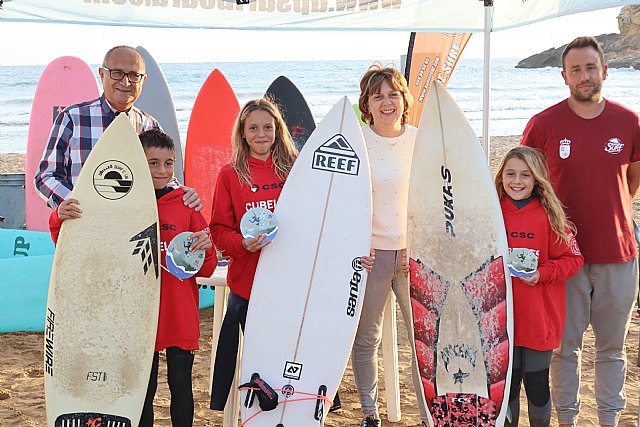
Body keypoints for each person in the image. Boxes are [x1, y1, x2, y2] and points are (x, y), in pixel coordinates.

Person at [49, 129, 216, 427]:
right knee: (143, 390)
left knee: (181, 386)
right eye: (152, 163)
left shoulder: (185, 205)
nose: (162, 170)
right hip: (137, 316)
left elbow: (204, 268)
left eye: (168, 163)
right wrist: (57, 216)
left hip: (179, 312)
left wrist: (206, 248)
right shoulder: (121, 205)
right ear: (137, 163)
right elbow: (76, 245)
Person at [521, 36, 640, 427]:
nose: (584, 76)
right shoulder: (543, 124)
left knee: (611, 349)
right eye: (576, 70)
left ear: (604, 71)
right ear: (564, 77)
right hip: (562, 259)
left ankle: (609, 419)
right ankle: (567, 420)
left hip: (618, 254)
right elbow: (527, 184)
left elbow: (631, 183)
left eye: (591, 68)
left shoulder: (629, 122)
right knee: (564, 349)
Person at [208, 97, 298, 410]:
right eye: (253, 128)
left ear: (278, 130)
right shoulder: (230, 175)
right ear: (243, 133)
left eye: (268, 127)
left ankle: (293, 408)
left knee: (289, 353)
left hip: (290, 280)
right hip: (248, 282)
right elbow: (218, 230)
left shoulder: (297, 169)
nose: (261, 134)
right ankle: (258, 410)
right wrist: (241, 245)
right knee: (259, 357)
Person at [351, 63, 427, 427]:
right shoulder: (357, 141)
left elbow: (431, 197)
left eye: (393, 94)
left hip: (413, 254)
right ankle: (370, 413)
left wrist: (423, 245)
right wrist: (356, 243)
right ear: (366, 102)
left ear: (403, 99)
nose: (386, 102)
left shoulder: (419, 139)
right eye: (377, 95)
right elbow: (345, 201)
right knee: (367, 338)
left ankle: (429, 411)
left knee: (423, 341)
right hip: (373, 256)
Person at [35, 45, 200, 210]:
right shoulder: (73, 117)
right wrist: (76, 204)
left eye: (134, 75)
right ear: (102, 74)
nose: (126, 82)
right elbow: (46, 176)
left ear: (143, 80)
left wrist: (182, 194)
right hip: (82, 225)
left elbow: (163, 177)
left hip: (135, 226)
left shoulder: (150, 125)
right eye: (117, 73)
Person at [494, 146, 583, 427]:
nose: (517, 181)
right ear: (501, 177)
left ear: (537, 180)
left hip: (539, 318)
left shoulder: (549, 216)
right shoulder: (492, 213)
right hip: (501, 320)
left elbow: (574, 259)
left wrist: (542, 274)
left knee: (536, 383)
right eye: (510, 174)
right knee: (507, 387)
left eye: (525, 175)